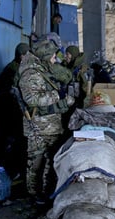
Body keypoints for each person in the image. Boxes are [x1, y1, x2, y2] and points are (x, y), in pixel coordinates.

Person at [17, 39, 74, 204]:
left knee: (50, 160)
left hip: (50, 124)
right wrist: (58, 96)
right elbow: (32, 99)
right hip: (39, 127)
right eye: (53, 56)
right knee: (36, 162)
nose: (55, 59)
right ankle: (34, 193)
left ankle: (47, 191)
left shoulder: (42, 70)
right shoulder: (31, 73)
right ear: (46, 56)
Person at [0, 42, 30, 178]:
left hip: (11, 111)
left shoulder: (15, 67)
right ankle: (9, 171)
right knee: (12, 142)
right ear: (21, 56)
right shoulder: (13, 70)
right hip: (10, 112)